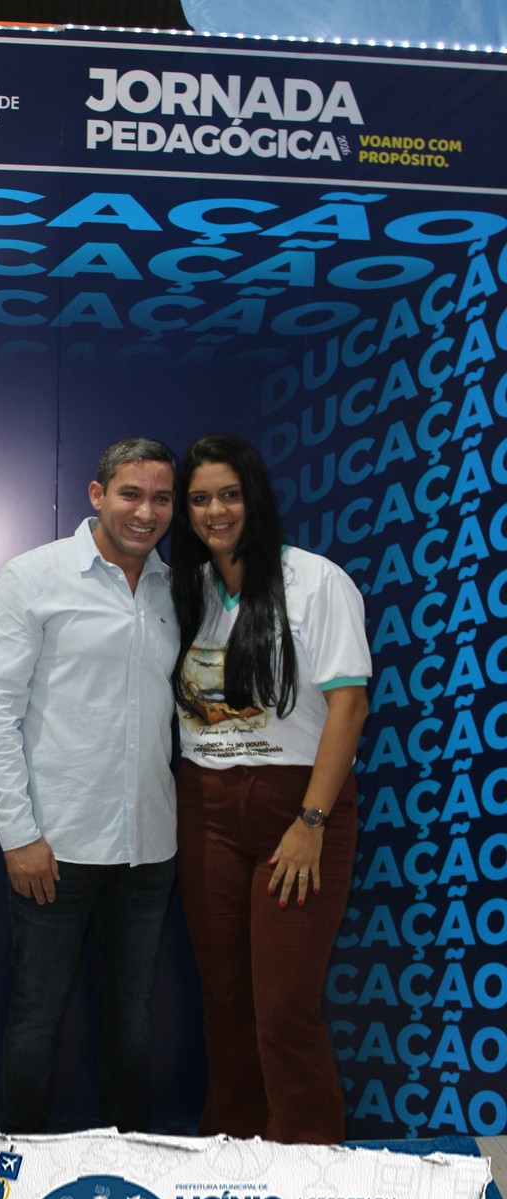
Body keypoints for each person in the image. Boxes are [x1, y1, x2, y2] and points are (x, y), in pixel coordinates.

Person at [0, 437, 178, 1135]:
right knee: (38, 1015)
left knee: (132, 1014)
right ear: (97, 495)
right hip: (53, 848)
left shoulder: (174, 589)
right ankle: (18, 1164)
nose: (145, 512)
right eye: (131, 494)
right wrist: (18, 835)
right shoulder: (34, 576)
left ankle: (131, 1154)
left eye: (161, 498)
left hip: (149, 847)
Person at [170, 433, 370, 1144]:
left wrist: (312, 821)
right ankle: (233, 1153)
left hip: (298, 810)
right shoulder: (184, 590)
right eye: (200, 499)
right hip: (205, 811)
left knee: (283, 1006)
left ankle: (307, 1164)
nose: (216, 511)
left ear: (254, 496)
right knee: (226, 1002)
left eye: (230, 494)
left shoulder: (316, 580)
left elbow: (349, 705)